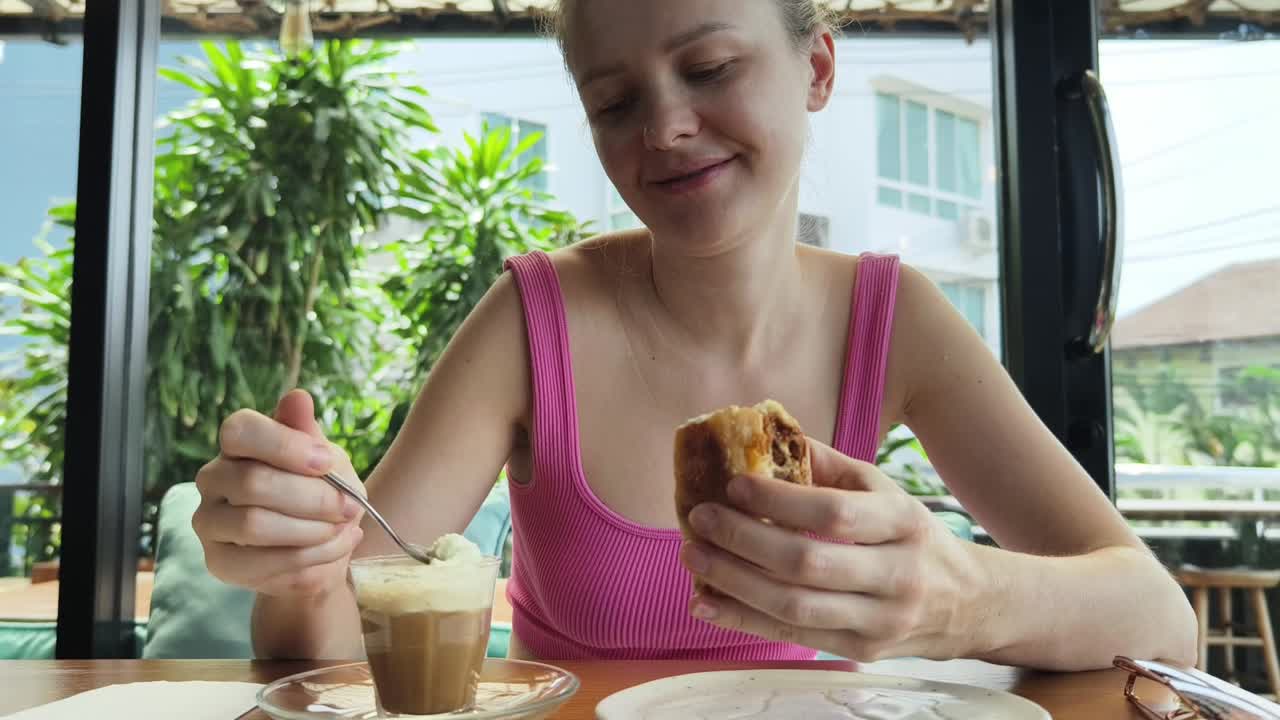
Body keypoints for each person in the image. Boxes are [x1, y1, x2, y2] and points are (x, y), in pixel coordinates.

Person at [191, 0, 1197, 670]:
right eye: (613, 101)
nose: (663, 127)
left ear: (815, 66)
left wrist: (961, 598)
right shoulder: (530, 318)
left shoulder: (896, 321)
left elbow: (1161, 626)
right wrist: (299, 566)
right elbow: (337, 647)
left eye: (709, 68)